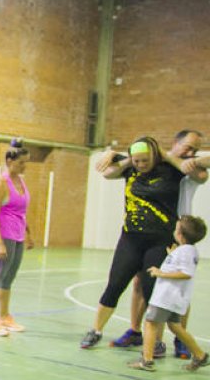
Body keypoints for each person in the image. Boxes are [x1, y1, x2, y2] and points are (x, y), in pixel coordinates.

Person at [80, 137, 188, 349]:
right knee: (114, 285)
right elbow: (107, 173)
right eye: (137, 161)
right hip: (131, 239)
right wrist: (119, 157)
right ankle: (96, 330)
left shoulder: (171, 170)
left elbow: (194, 170)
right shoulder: (130, 168)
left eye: (145, 160)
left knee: (152, 291)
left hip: (160, 241)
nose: (141, 165)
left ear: (155, 155)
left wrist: (166, 156)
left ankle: (156, 341)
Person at [116, 130, 206, 357]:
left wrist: (172, 156)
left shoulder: (188, 166)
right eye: (188, 147)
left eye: (195, 149)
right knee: (140, 281)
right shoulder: (153, 164)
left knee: (178, 288)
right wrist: (111, 155)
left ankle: (179, 338)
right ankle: (136, 331)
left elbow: (204, 168)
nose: (191, 152)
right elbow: (120, 162)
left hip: (180, 234)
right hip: (155, 232)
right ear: (175, 142)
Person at [128, 215, 208, 372]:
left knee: (150, 323)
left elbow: (186, 273)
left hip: (166, 297)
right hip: (173, 298)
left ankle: (147, 360)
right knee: (175, 326)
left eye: (176, 229)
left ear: (180, 235)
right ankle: (200, 355)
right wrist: (172, 254)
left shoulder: (186, 252)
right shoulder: (185, 250)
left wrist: (161, 273)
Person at [0, 141, 33, 336]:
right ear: (10, 161)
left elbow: (21, 212)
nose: (24, 167)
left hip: (17, 236)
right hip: (3, 236)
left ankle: (4, 316)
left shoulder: (21, 182)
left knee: (9, 276)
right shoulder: (1, 183)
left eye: (26, 163)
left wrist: (28, 235)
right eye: (21, 163)